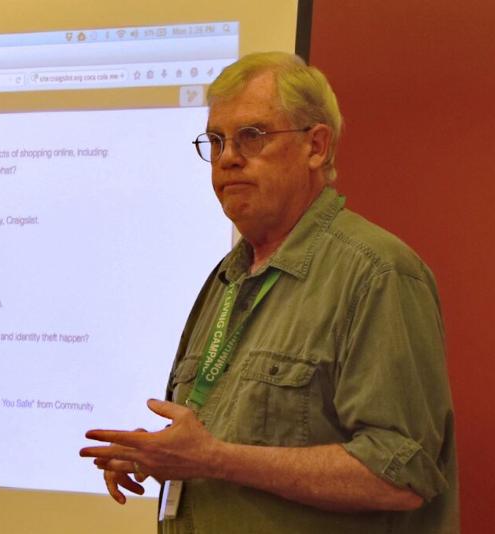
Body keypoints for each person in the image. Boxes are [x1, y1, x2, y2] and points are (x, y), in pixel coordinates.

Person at [80, 52, 457, 533]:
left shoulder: (376, 273)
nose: (228, 157)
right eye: (216, 141)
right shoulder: (227, 278)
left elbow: (399, 475)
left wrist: (215, 460)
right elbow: (240, 440)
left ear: (316, 146)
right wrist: (161, 456)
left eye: (251, 136)